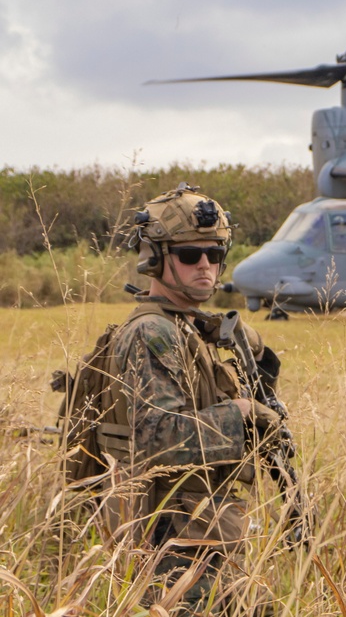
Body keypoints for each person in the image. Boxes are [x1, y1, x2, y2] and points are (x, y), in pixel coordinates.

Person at [100, 183, 283, 612]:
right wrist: (239, 415)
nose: (204, 265)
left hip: (200, 532)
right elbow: (158, 438)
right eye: (188, 255)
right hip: (169, 540)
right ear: (156, 259)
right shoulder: (153, 332)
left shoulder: (188, 327)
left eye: (214, 254)